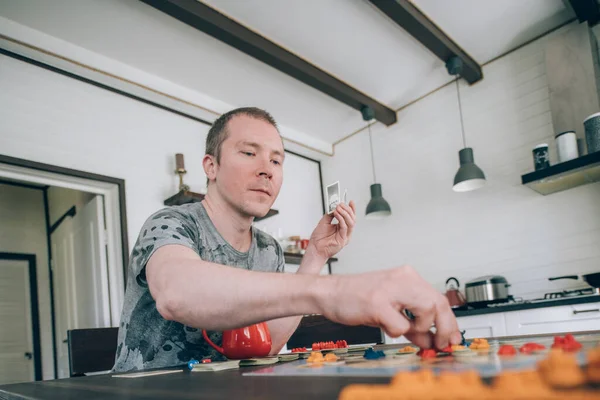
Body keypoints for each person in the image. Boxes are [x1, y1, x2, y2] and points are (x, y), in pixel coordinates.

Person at [113, 107, 461, 372]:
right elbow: (177, 293)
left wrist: (317, 257)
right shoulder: (170, 223)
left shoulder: (268, 249)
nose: (267, 168)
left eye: (276, 160)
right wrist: (333, 292)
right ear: (211, 166)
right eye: (249, 153)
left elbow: (267, 345)